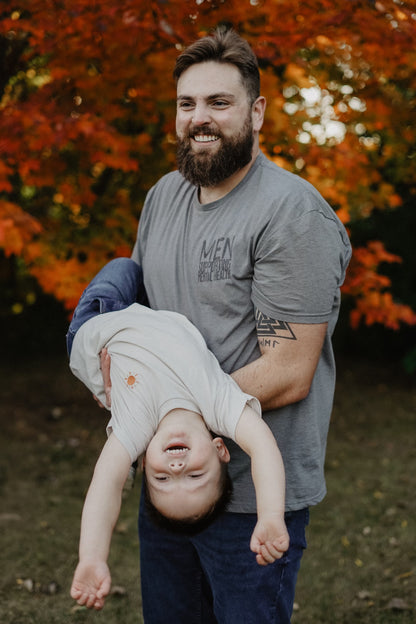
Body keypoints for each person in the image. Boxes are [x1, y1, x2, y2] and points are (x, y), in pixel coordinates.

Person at [124, 27, 352, 623]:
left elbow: (289, 370)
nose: (200, 118)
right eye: (187, 104)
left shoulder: (291, 212)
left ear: (255, 113)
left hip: (254, 498)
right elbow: (144, 329)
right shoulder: (162, 198)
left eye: (219, 103)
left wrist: (168, 412)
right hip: (169, 485)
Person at [68, 257, 289, 610]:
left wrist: (92, 557)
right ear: (221, 449)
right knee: (144, 270)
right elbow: (263, 447)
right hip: (145, 314)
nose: (176, 469)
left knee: (124, 267)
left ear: (142, 461)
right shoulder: (220, 403)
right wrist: (271, 516)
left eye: (161, 479)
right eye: (195, 475)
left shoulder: (133, 427)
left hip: (99, 321)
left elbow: (105, 487)